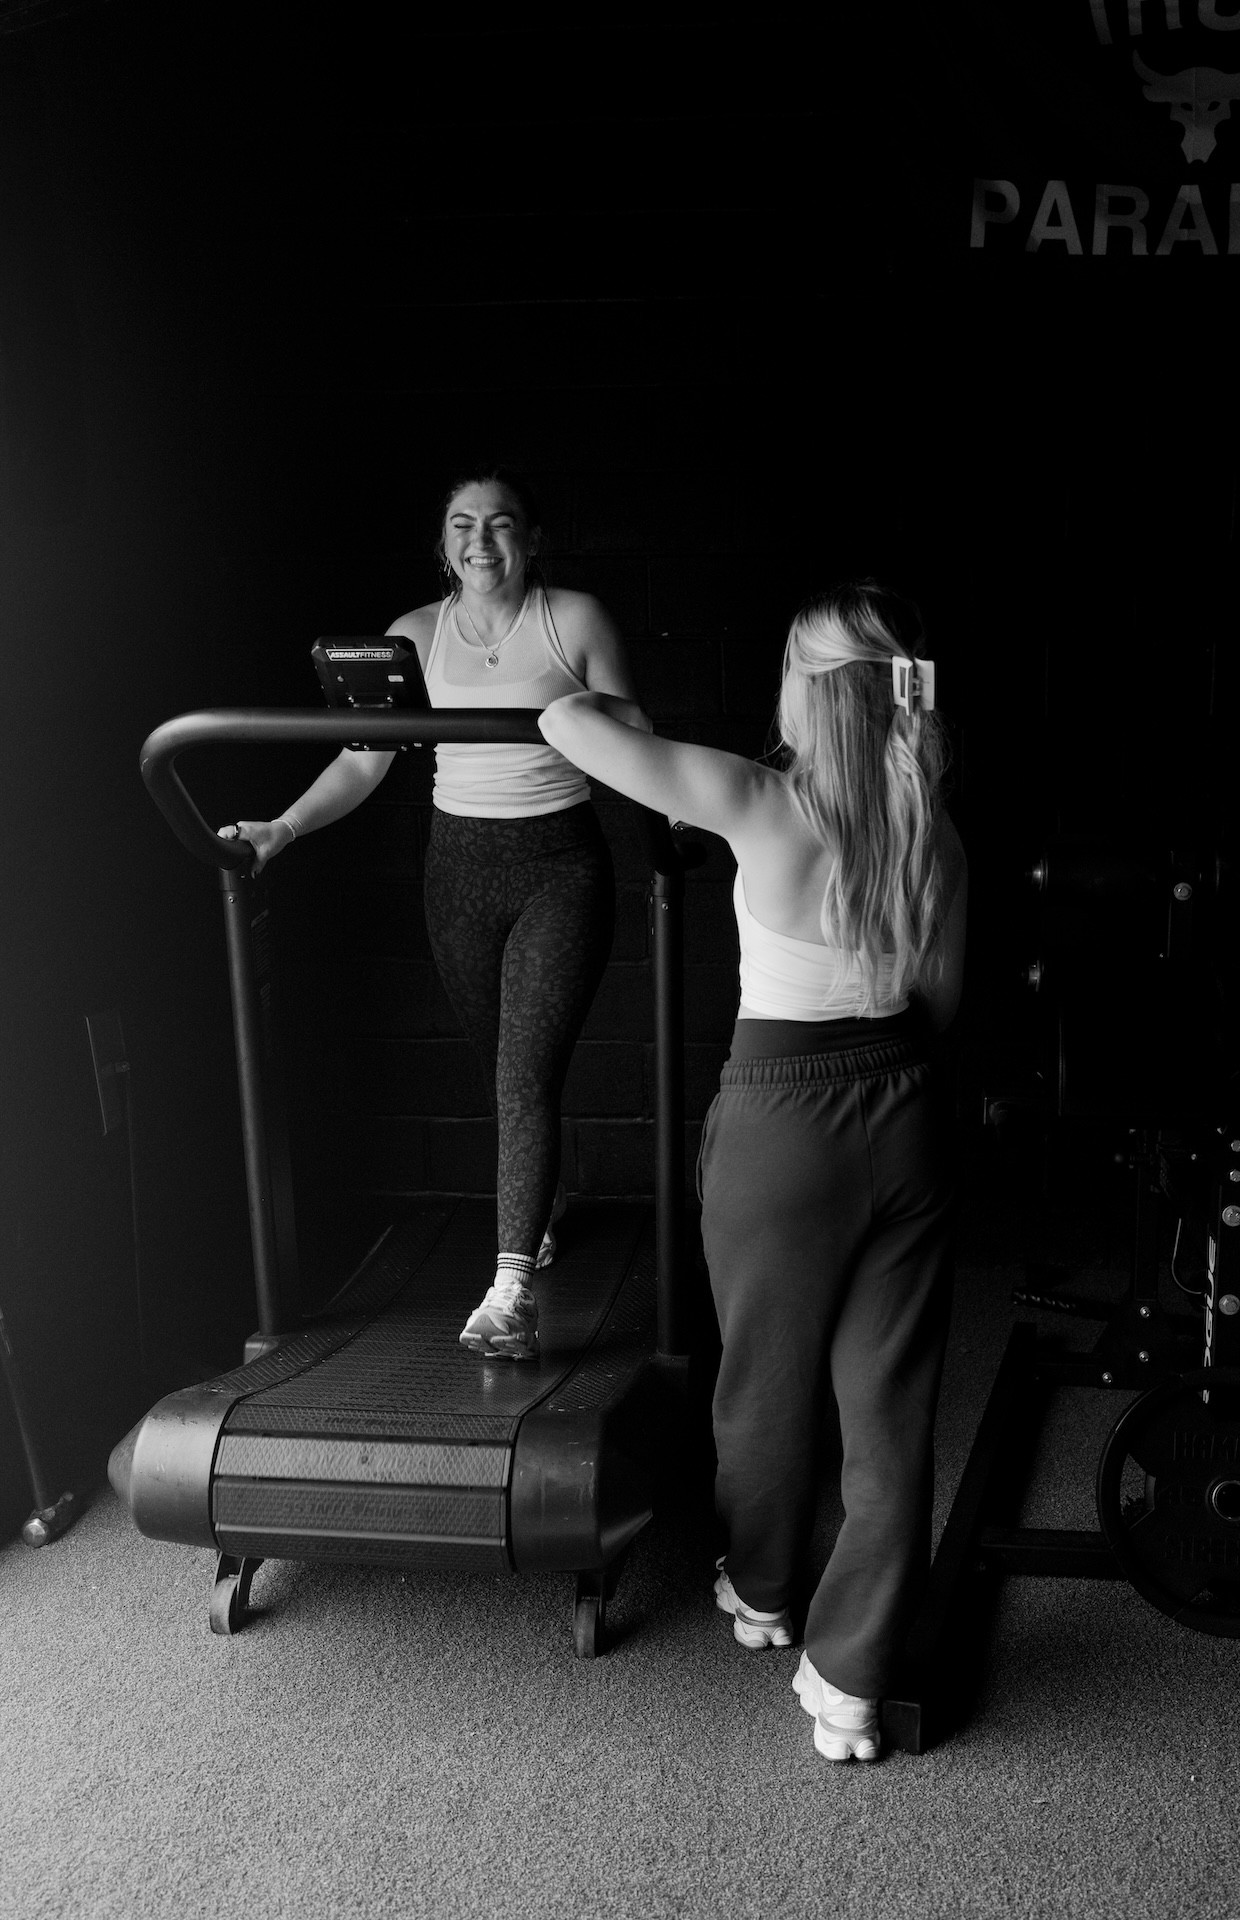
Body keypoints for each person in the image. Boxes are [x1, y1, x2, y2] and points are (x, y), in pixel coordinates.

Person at [539, 581, 966, 1764]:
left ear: (805, 693)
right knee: (889, 1414)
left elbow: (562, 725)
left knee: (764, 1386)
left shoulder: (754, 797)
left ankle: (767, 1593)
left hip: (782, 1125)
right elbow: (940, 1007)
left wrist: (607, 696)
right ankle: (850, 1683)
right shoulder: (935, 832)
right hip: (907, 1113)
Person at [220, 467, 649, 1360]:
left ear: (532, 538)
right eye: (462, 525)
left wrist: (685, 818)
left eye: (500, 523)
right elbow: (362, 762)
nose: (480, 541)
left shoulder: (575, 620)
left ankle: (510, 1294)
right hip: (457, 871)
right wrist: (281, 830)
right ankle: (541, 1209)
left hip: (558, 868)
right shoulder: (414, 634)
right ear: (444, 543)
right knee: (502, 1068)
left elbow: (636, 742)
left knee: (523, 1077)